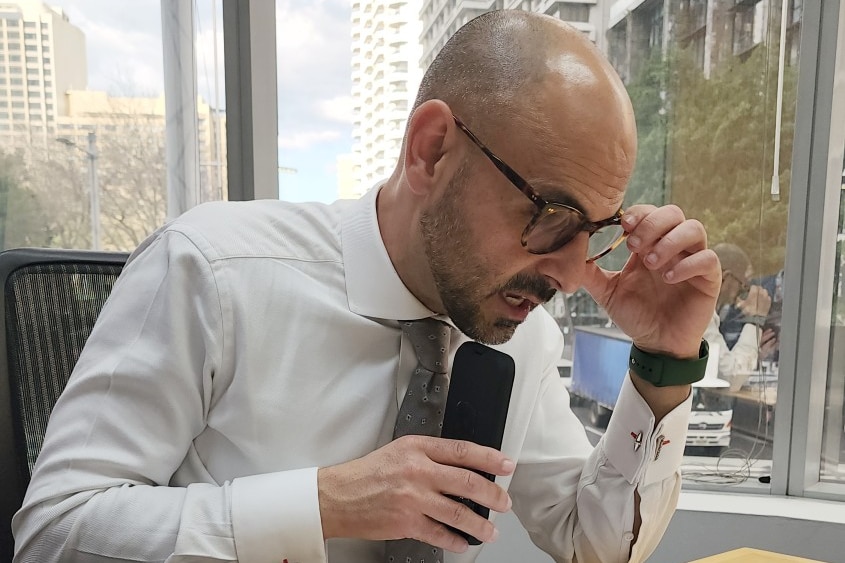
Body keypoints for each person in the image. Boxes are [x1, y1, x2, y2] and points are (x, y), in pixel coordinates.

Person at [13, 11, 720, 563]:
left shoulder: (520, 333)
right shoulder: (210, 271)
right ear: (430, 150)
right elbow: (52, 531)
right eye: (549, 215)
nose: (568, 276)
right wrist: (321, 506)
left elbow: (589, 542)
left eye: (592, 230)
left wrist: (663, 365)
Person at [705, 243, 777, 382]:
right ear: (725, 278)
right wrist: (755, 319)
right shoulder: (701, 314)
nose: (739, 299)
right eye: (743, 287)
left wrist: (753, 351)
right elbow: (730, 377)